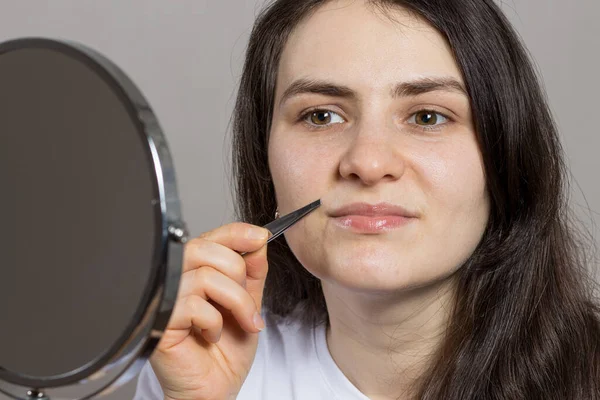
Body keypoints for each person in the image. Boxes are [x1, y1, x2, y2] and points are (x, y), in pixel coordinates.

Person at [134, 0, 600, 399]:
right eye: (321, 116)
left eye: (427, 116)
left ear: (504, 157)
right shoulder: (193, 363)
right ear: (265, 159)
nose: (368, 163)